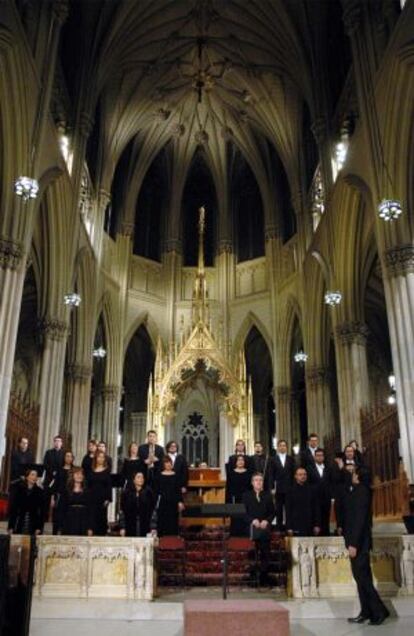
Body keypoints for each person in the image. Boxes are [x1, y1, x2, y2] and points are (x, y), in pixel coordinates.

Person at [344, 466, 389, 625]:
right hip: (356, 542)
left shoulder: (362, 491)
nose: (352, 475)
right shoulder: (358, 490)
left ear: (359, 476)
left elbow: (360, 520)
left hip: (359, 543)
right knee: (361, 578)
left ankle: (379, 612)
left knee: (363, 579)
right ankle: (367, 611)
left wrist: (353, 544)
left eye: (354, 473)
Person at [242, 473, 275, 584]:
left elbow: (272, 512)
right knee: (252, 549)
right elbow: (243, 513)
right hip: (252, 527)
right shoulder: (246, 496)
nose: (259, 482)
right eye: (256, 480)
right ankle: (252, 575)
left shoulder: (267, 495)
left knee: (265, 549)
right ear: (252, 483)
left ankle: (263, 575)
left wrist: (267, 521)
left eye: (261, 480)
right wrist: (253, 520)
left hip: (264, 527)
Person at [58, 468, 94, 536]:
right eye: (77, 474)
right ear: (72, 476)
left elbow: (91, 510)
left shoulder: (87, 492)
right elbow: (61, 509)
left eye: (81, 474)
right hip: (69, 521)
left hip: (83, 522)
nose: (79, 476)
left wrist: (90, 527)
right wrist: (60, 527)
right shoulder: (66, 491)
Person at [7, 468, 44, 535]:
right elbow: (13, 509)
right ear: (27, 477)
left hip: (33, 523)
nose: (34, 477)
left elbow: (41, 511)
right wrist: (11, 526)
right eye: (32, 475)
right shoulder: (19, 490)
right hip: (19, 522)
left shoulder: (39, 491)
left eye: (36, 475)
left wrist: (39, 528)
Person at [153, 456, 184, 536]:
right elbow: (156, 491)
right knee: (162, 521)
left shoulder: (176, 475)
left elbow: (178, 490)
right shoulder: (159, 476)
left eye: (170, 463)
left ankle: (172, 542)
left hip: (173, 502)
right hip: (162, 502)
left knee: (173, 521)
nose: (168, 464)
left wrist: (180, 501)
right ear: (163, 464)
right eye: (166, 463)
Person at [286, 467, 320, 536]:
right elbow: (288, 510)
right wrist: (289, 527)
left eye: (304, 474)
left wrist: (317, 525)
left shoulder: (312, 490)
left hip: (310, 526)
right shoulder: (290, 491)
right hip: (296, 526)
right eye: (300, 474)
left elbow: (316, 508)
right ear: (295, 476)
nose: (303, 476)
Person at [307, 448, 333, 536]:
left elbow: (331, 482)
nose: (319, 457)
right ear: (314, 457)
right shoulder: (309, 469)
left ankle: (326, 535)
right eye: (317, 455)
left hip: (326, 497)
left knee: (326, 517)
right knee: (316, 517)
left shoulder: (328, 468)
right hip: (314, 498)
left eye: (321, 455)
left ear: (324, 457)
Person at [120, 472, 155, 537]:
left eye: (142, 477)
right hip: (130, 523)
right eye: (138, 477)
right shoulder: (126, 493)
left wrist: (153, 527)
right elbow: (122, 511)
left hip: (145, 524)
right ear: (134, 480)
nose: (141, 479)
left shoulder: (148, 492)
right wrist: (122, 527)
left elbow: (153, 510)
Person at [87, 450, 112, 536]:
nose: (101, 459)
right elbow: (88, 485)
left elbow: (109, 486)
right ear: (96, 458)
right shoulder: (91, 470)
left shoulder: (107, 470)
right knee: (91, 517)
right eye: (99, 457)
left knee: (101, 518)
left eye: (103, 457)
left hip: (102, 500)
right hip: (91, 498)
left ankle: (101, 535)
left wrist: (108, 499)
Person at [226, 455, 252, 536]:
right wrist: (228, 501)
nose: (240, 462)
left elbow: (251, 487)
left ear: (244, 462)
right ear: (236, 462)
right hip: (235, 499)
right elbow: (228, 487)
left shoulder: (249, 473)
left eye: (242, 460)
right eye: (239, 460)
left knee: (246, 517)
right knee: (235, 518)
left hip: (246, 499)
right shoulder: (231, 473)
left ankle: (246, 534)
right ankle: (234, 534)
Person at [272, 439, 295, 530]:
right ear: (278, 447)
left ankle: (289, 528)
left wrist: (294, 487)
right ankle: (279, 528)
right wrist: (272, 488)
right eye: (280, 445)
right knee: (278, 509)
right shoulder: (273, 459)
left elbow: (294, 473)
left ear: (286, 447)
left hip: (289, 488)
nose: (282, 447)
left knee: (289, 509)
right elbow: (271, 474)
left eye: (284, 445)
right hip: (278, 488)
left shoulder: (291, 459)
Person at [52, 450, 75, 534]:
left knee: (68, 515)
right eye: (67, 456)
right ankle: (55, 534)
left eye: (70, 456)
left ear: (73, 459)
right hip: (60, 495)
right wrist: (53, 498)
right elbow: (55, 484)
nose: (69, 458)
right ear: (64, 458)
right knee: (58, 516)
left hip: (71, 496)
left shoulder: (74, 470)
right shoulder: (59, 469)